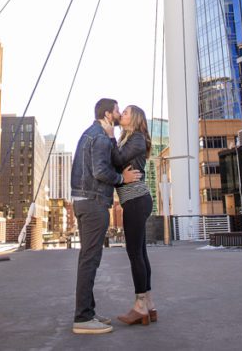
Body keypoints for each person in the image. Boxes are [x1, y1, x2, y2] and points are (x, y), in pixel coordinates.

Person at [71, 98, 141, 335]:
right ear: (108, 114)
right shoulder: (100, 137)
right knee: (90, 260)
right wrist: (123, 179)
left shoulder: (93, 134)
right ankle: (83, 317)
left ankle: (88, 312)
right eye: (117, 110)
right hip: (93, 203)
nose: (119, 113)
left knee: (87, 258)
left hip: (83, 201)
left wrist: (112, 138)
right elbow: (102, 171)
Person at [112, 104, 156, 326]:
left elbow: (118, 160)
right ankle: (149, 304)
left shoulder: (137, 138)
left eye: (126, 112)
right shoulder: (129, 139)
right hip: (135, 200)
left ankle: (140, 306)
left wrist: (109, 136)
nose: (122, 114)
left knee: (134, 253)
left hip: (136, 200)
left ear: (135, 118)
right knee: (140, 252)